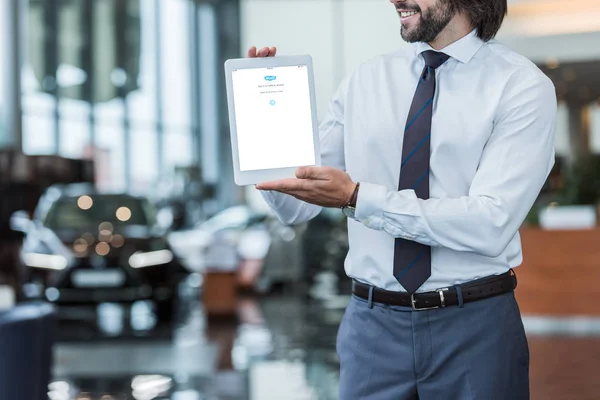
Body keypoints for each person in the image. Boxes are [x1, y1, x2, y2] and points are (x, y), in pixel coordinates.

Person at [248, 0, 557, 398]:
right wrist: (269, 127)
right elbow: (296, 206)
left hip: (476, 328)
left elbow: (490, 222)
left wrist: (360, 199)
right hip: (371, 329)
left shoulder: (521, 86)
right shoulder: (364, 81)